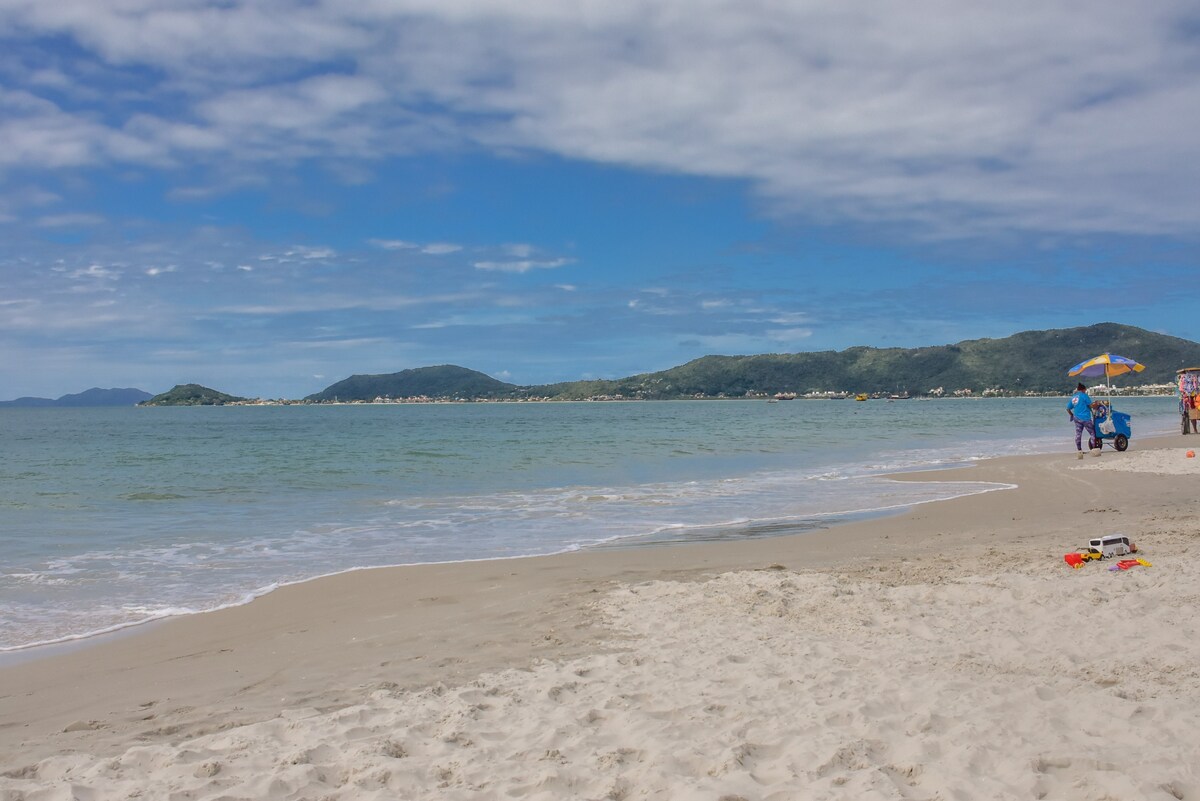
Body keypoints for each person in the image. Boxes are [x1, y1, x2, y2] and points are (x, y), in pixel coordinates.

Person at [1067, 382, 1099, 458]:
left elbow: (1068, 408)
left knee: (1078, 434)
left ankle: (1079, 450)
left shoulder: (1074, 397)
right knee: (1092, 433)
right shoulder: (1084, 396)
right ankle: (1094, 449)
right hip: (1085, 418)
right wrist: (1096, 404)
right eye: (1085, 390)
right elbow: (1091, 405)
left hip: (1076, 418)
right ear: (1083, 389)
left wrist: (1072, 415)